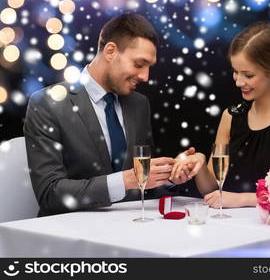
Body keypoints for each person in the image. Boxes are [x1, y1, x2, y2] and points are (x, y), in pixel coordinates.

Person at [24, 13, 192, 216]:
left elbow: (142, 185)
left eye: (149, 67)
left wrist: (170, 176)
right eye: (139, 64)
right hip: (69, 234)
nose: (145, 77)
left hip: (130, 229)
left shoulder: (139, 104)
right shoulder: (47, 103)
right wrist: (125, 180)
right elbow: (50, 194)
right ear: (110, 51)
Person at [170, 21, 270, 208]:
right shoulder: (231, 116)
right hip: (231, 226)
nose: (238, 82)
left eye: (248, 75)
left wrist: (243, 199)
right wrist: (199, 164)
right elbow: (212, 190)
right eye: (235, 72)